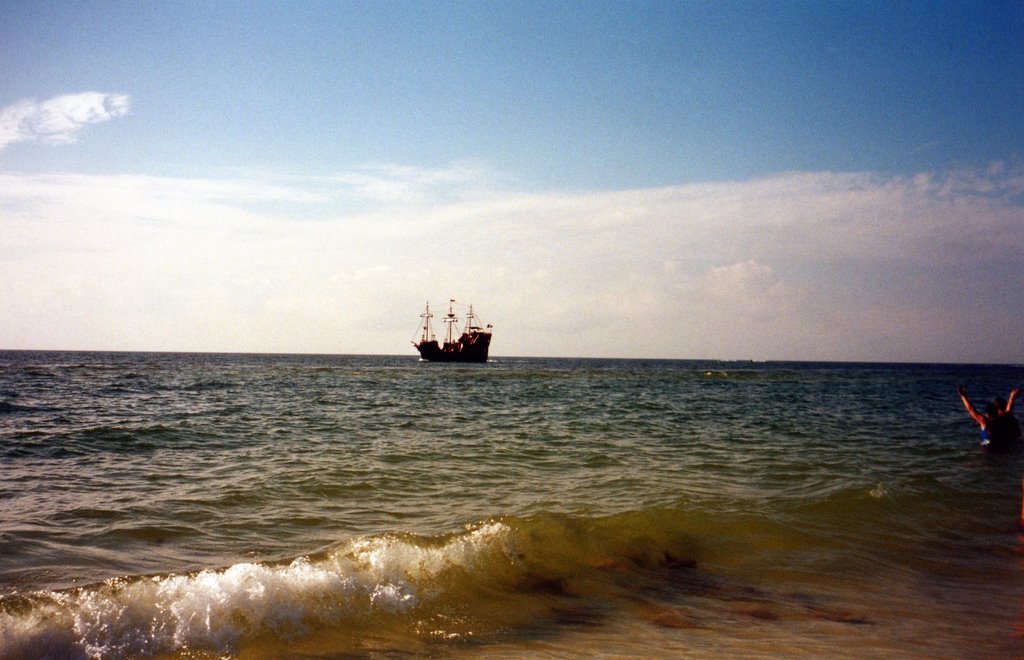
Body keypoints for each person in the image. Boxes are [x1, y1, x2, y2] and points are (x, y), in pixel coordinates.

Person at [957, 385, 1022, 452]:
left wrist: (963, 396)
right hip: (1001, 449)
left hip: (987, 450)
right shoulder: (1002, 419)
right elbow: (1008, 410)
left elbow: (971, 410)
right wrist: (1012, 396)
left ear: (987, 414)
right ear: (997, 412)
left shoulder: (985, 421)